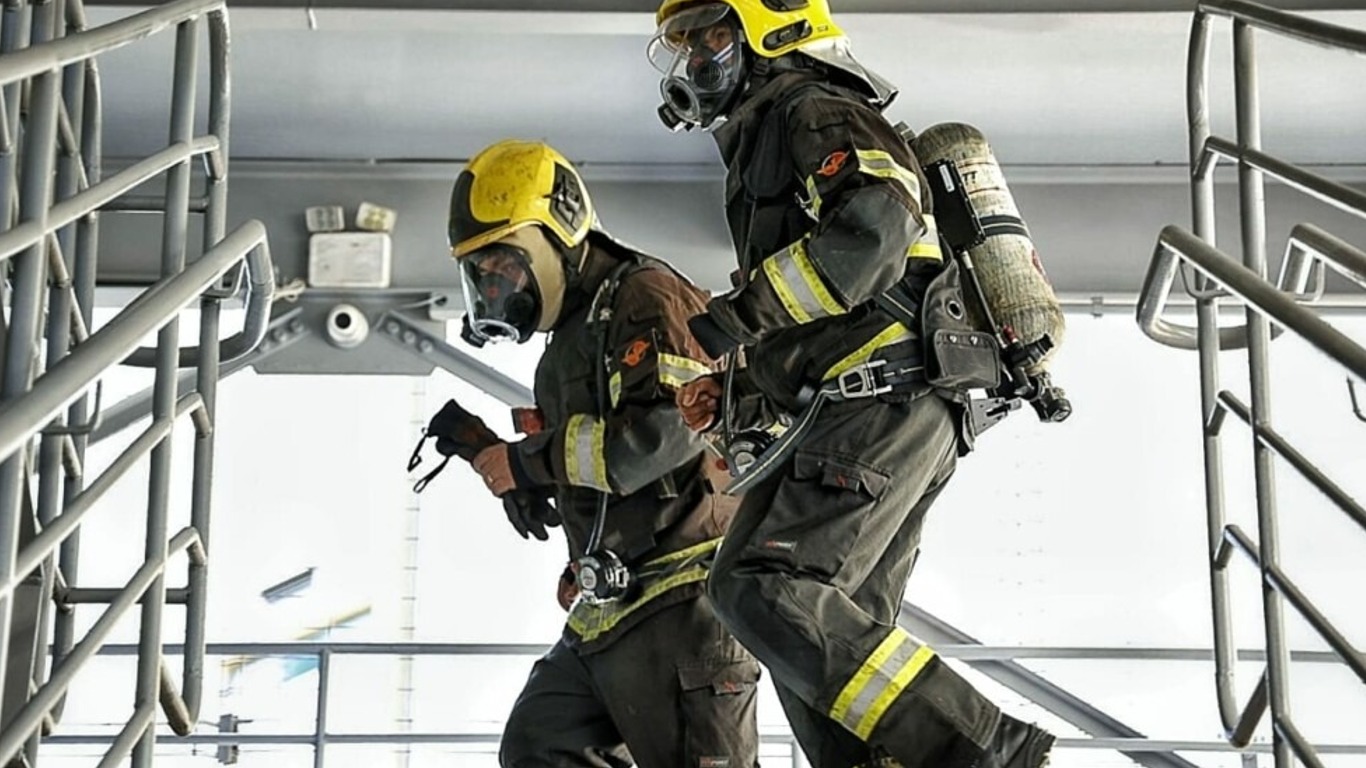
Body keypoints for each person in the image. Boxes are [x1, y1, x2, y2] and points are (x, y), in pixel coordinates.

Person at [646, 2, 1057, 767]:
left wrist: (731, 321)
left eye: (711, 33)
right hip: (887, 402)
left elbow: (876, 227)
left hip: (884, 399)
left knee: (762, 588)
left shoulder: (813, 108)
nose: (695, 59)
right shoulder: (775, 131)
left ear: (773, 26)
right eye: (685, 42)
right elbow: (827, 316)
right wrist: (736, 392)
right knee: (816, 650)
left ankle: (988, 749)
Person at [447, 139, 760, 768]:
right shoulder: (566, 344)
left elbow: (660, 438)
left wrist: (528, 463)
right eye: (480, 274)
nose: (495, 287)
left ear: (554, 235)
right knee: (542, 745)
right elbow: (598, 470)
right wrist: (564, 517)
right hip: (611, 604)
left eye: (503, 267)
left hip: (686, 596)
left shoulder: (648, 297)